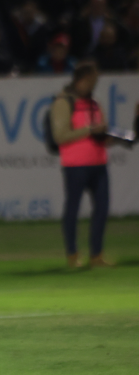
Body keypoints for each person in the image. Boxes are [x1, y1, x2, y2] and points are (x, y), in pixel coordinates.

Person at [51, 61, 118, 268]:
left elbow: (100, 132)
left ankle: (96, 254)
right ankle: (72, 255)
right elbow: (60, 136)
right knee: (73, 209)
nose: (95, 83)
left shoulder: (94, 103)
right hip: (75, 165)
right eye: (93, 79)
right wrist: (89, 130)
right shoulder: (63, 102)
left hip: (98, 163)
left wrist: (113, 137)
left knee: (102, 209)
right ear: (83, 79)